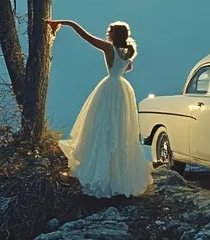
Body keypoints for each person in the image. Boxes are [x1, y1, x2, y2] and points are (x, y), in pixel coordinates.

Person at [46, 18, 152, 198]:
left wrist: (66, 23)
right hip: (123, 90)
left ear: (113, 35)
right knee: (119, 129)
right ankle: (118, 176)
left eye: (110, 32)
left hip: (110, 88)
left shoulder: (109, 48)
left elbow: (86, 36)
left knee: (103, 125)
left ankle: (102, 174)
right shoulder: (128, 52)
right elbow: (128, 67)